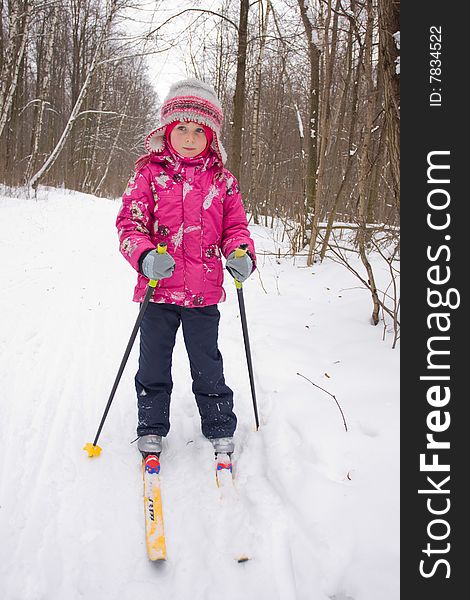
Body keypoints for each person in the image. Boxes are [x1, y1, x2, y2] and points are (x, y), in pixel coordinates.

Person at [116, 78, 256, 459]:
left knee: (207, 364)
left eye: (199, 130)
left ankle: (219, 425)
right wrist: (144, 256)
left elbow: (235, 229)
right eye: (182, 128)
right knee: (153, 364)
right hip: (157, 292)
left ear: (212, 135)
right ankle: (151, 427)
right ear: (166, 129)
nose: (190, 138)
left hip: (202, 292)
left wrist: (241, 253)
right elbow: (129, 224)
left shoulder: (223, 182)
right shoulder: (148, 175)